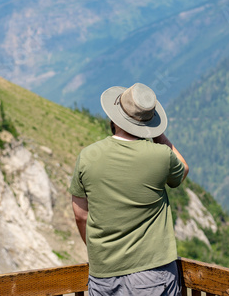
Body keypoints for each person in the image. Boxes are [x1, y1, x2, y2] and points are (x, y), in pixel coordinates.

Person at [70, 82, 189, 296]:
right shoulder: (161, 156)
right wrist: (158, 134)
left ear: (114, 117)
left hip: (104, 274)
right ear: (148, 123)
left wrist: (98, 253)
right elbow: (183, 169)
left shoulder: (87, 157)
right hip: (154, 273)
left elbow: (80, 216)